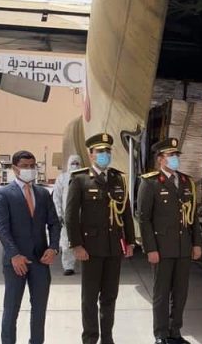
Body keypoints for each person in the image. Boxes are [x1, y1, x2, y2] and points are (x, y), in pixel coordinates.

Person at [66, 133, 135, 344]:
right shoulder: (80, 179)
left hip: (114, 247)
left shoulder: (118, 179)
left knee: (109, 297)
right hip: (91, 249)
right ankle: (89, 339)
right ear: (91, 155)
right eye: (100, 151)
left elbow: (126, 213)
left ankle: (107, 338)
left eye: (108, 151)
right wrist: (76, 245)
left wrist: (130, 241)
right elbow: (71, 215)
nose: (105, 154)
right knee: (89, 298)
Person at [137, 137, 202, 344]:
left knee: (180, 294)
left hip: (183, 248)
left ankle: (175, 332)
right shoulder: (150, 182)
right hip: (162, 248)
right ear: (160, 159)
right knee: (161, 294)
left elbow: (192, 216)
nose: (175, 159)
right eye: (171, 155)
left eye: (176, 155)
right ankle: (161, 334)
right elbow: (144, 219)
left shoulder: (186, 182)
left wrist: (197, 243)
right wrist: (150, 249)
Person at [0, 150, 60, 344]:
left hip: (40, 261)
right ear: (15, 168)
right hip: (16, 263)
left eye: (32, 166)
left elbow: (54, 223)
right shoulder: (4, 194)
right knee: (11, 309)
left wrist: (53, 247)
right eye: (24, 166)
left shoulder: (43, 194)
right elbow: (2, 227)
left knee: (39, 310)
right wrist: (14, 255)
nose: (29, 169)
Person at [52, 154, 81, 275]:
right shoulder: (62, 178)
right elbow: (56, 197)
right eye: (72, 163)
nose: (75, 166)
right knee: (66, 241)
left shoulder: (85, 177)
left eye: (77, 163)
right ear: (68, 164)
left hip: (83, 216)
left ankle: (87, 263)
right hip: (67, 216)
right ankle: (68, 266)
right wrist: (59, 214)